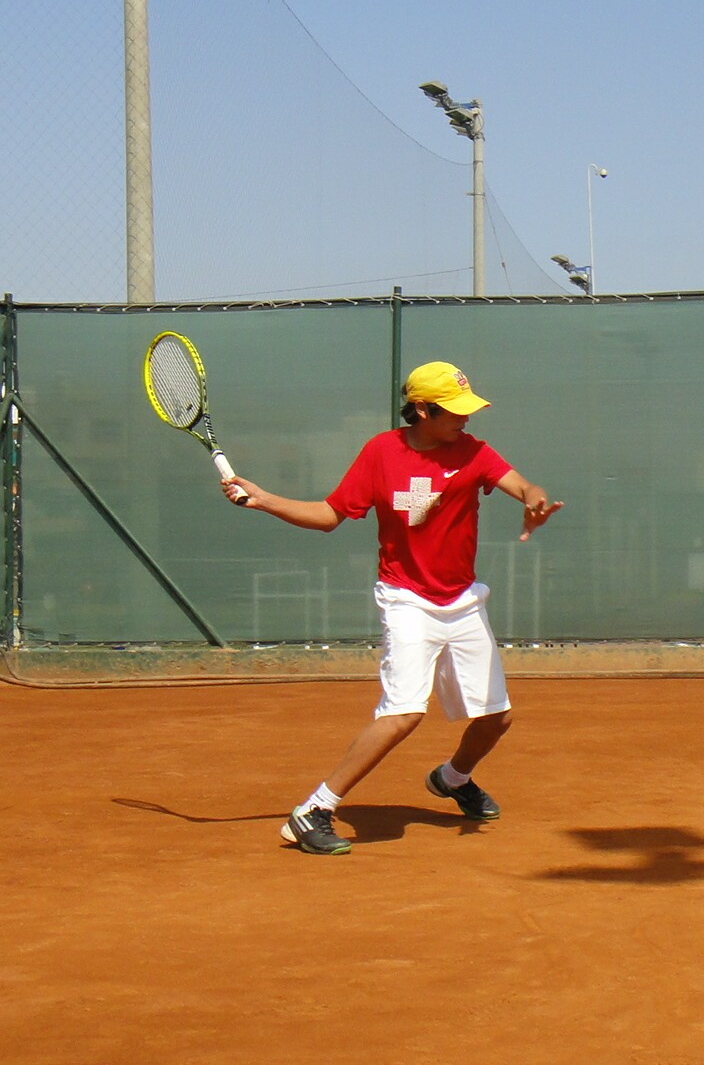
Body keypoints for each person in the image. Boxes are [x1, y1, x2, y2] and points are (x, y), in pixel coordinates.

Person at [222, 361, 562, 855]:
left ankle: (451, 778)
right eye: (454, 411)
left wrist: (535, 501)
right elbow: (328, 516)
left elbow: (524, 486)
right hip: (407, 599)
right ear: (421, 410)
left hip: (463, 599)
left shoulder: (473, 451)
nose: (465, 420)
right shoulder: (381, 453)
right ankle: (312, 810)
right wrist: (264, 499)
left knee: (495, 717)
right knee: (404, 713)